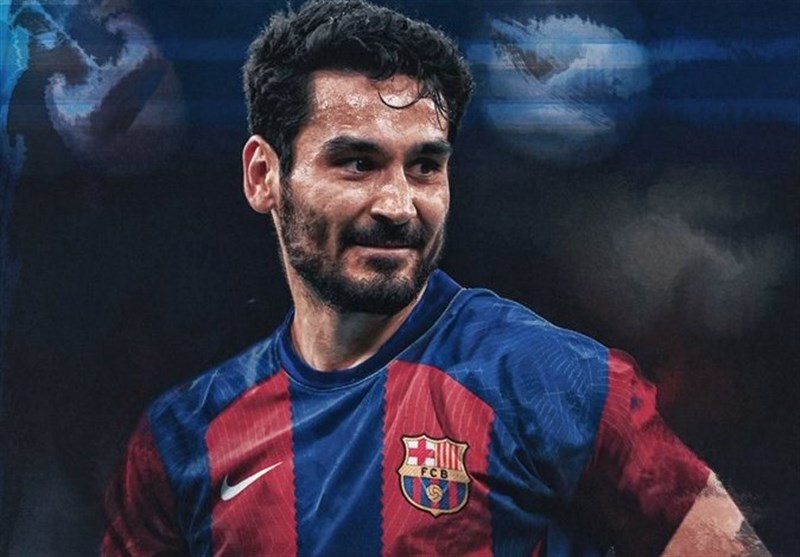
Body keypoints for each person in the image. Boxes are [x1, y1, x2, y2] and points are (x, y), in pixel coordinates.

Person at [101, 1, 771, 555]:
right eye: (356, 163)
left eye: (424, 166)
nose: (399, 205)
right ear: (264, 176)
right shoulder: (181, 439)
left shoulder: (556, 384)